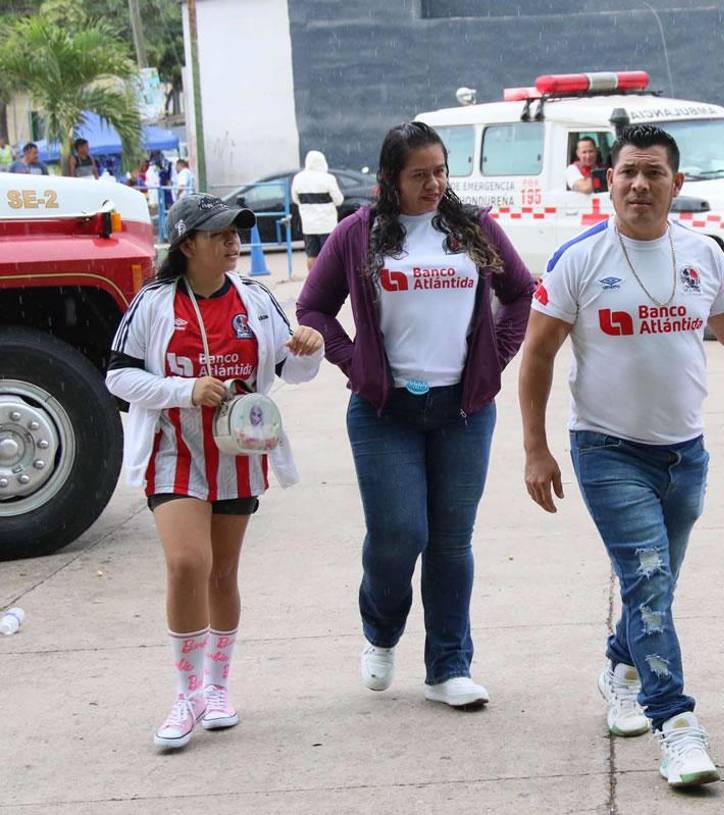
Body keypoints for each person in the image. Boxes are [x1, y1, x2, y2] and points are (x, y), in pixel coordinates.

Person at [519, 124, 724, 789]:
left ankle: (621, 666)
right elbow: (538, 353)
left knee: (653, 586)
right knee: (650, 579)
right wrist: (535, 448)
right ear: (609, 181)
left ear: (676, 183)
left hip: (684, 453)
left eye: (653, 172)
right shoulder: (577, 259)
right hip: (606, 449)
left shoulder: (703, 254)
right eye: (627, 171)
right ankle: (678, 728)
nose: (639, 184)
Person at [296, 122, 535, 708]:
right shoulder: (357, 234)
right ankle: (380, 630)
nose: (434, 184)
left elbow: (522, 292)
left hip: (463, 409)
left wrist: (494, 358)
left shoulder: (473, 228)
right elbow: (314, 309)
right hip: (386, 411)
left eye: (440, 171)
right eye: (419, 174)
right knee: (400, 533)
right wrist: (357, 366)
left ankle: (449, 666)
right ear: (390, 180)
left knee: (452, 543)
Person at [106, 193, 324, 750]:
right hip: (174, 451)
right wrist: (184, 389)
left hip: (240, 455)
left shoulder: (255, 299)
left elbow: (293, 372)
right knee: (187, 563)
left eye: (235, 232)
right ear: (187, 245)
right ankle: (186, 694)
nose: (233, 242)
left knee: (222, 575)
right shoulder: (154, 304)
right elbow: (119, 378)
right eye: (221, 233)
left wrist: (308, 348)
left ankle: (218, 686)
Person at [290, 150, 345, 271]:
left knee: (311, 255)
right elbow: (339, 200)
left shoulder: (298, 178)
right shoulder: (328, 178)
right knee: (329, 255)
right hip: (327, 224)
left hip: (308, 225)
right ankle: (329, 279)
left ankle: (313, 280)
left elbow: (295, 199)